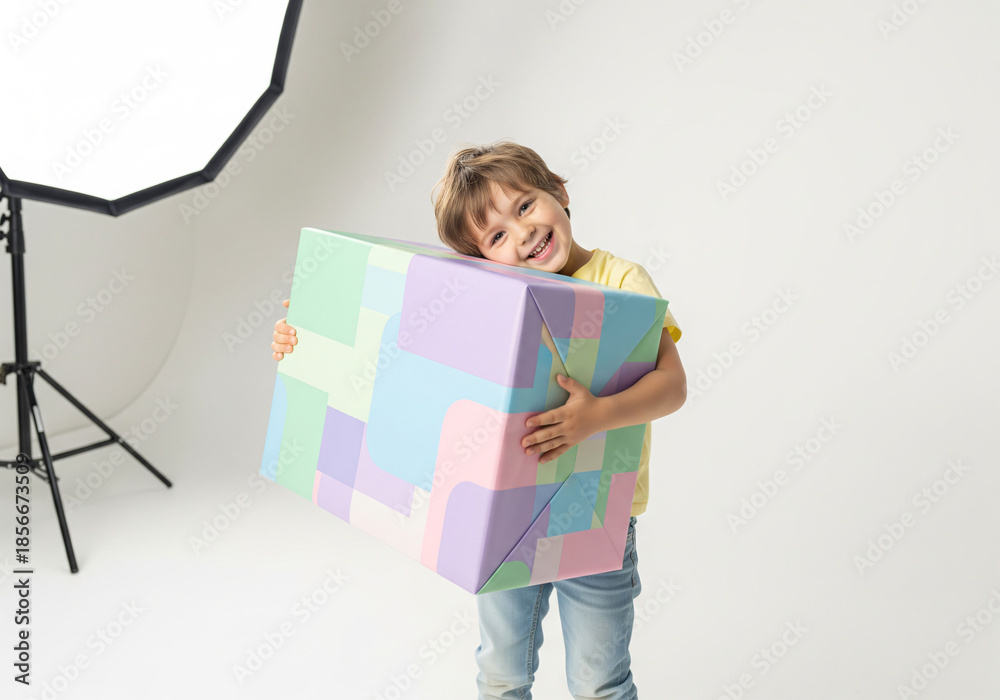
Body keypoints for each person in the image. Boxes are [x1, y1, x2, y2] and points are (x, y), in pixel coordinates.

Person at [270, 141, 686, 699]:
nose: (521, 235)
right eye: (496, 236)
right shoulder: (494, 296)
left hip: (596, 515)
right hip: (505, 512)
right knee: (501, 672)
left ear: (559, 192)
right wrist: (310, 332)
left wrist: (599, 416)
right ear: (480, 259)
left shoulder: (621, 279)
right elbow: (400, 356)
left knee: (599, 683)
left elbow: (673, 385)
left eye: (525, 206)